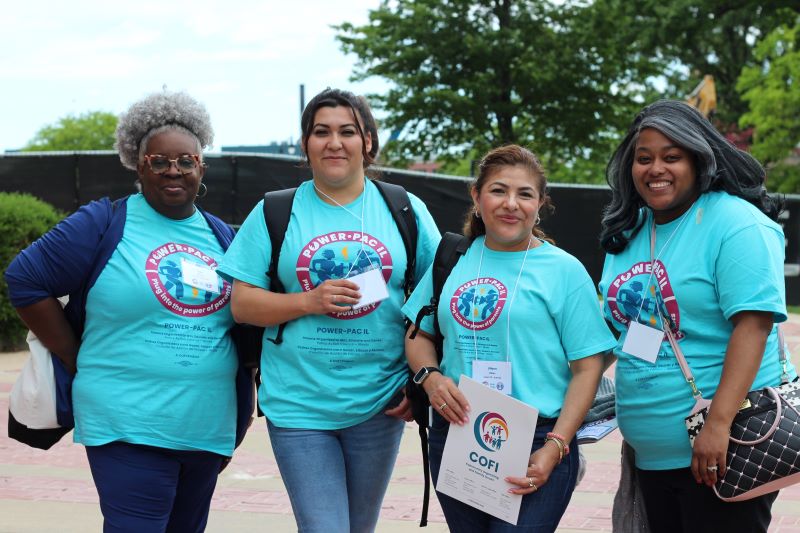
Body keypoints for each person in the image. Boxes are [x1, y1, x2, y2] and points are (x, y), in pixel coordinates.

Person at [5, 90, 253, 532]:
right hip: (126, 422)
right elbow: (25, 279)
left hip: (207, 425)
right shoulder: (103, 223)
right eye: (159, 161)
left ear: (202, 167)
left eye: (186, 161)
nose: (173, 171)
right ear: (139, 166)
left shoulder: (222, 237)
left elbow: (247, 315)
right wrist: (72, 354)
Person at [216, 88, 441, 532]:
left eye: (347, 131)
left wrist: (421, 385)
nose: (334, 142)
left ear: (368, 142)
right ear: (305, 144)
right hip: (299, 403)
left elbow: (439, 299)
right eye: (321, 132)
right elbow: (241, 305)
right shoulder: (276, 211)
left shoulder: (404, 209)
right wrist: (309, 301)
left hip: (382, 402)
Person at [598, 100, 797, 533]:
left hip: (726, 448)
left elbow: (755, 325)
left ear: (699, 158)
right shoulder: (632, 230)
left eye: (672, 157)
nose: (656, 169)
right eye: (643, 158)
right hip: (650, 456)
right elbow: (619, 332)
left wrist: (718, 425)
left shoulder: (736, 223)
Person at [402, 144, 616, 532]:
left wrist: (556, 446)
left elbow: (588, 369)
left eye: (525, 194)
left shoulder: (563, 271)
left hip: (537, 436)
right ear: (476, 196)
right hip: (457, 430)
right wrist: (430, 378)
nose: (510, 204)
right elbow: (418, 334)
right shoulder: (453, 258)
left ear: (540, 204)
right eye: (499, 191)